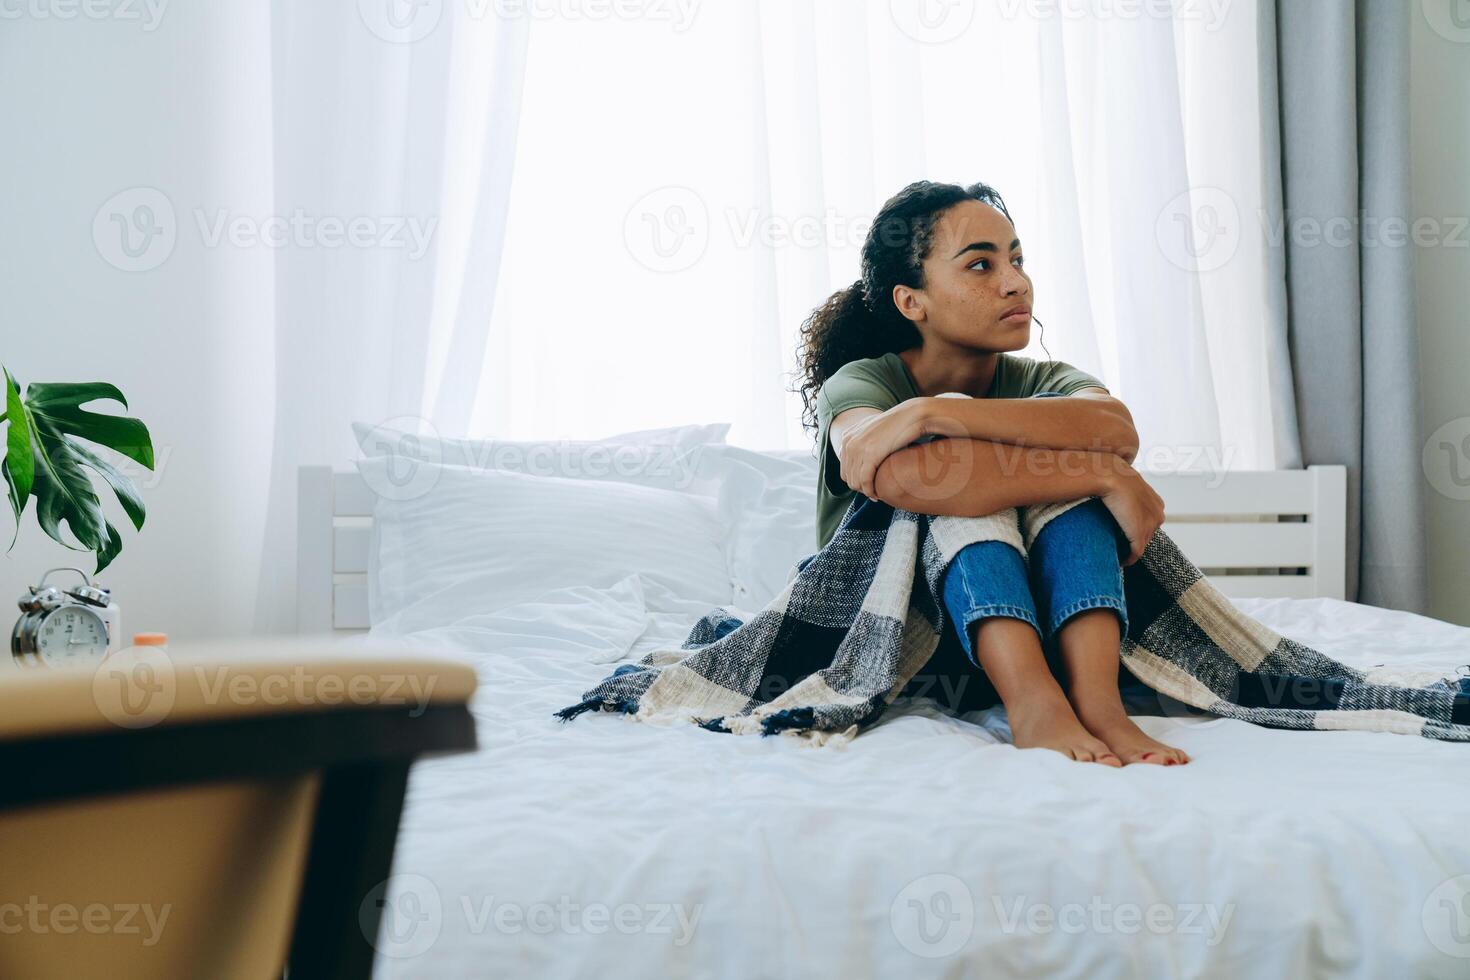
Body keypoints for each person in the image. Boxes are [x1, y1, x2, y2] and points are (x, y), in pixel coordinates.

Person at [793, 179, 1188, 767]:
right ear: (912, 302)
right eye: (981, 264)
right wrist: (1102, 474)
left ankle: (1100, 705)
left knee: (1066, 504)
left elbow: (1115, 428)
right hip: (898, 644)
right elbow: (915, 480)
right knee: (963, 501)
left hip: (1040, 629)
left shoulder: (1043, 381)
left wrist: (936, 412)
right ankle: (1032, 705)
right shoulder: (861, 383)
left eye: (1017, 260)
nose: (1016, 282)